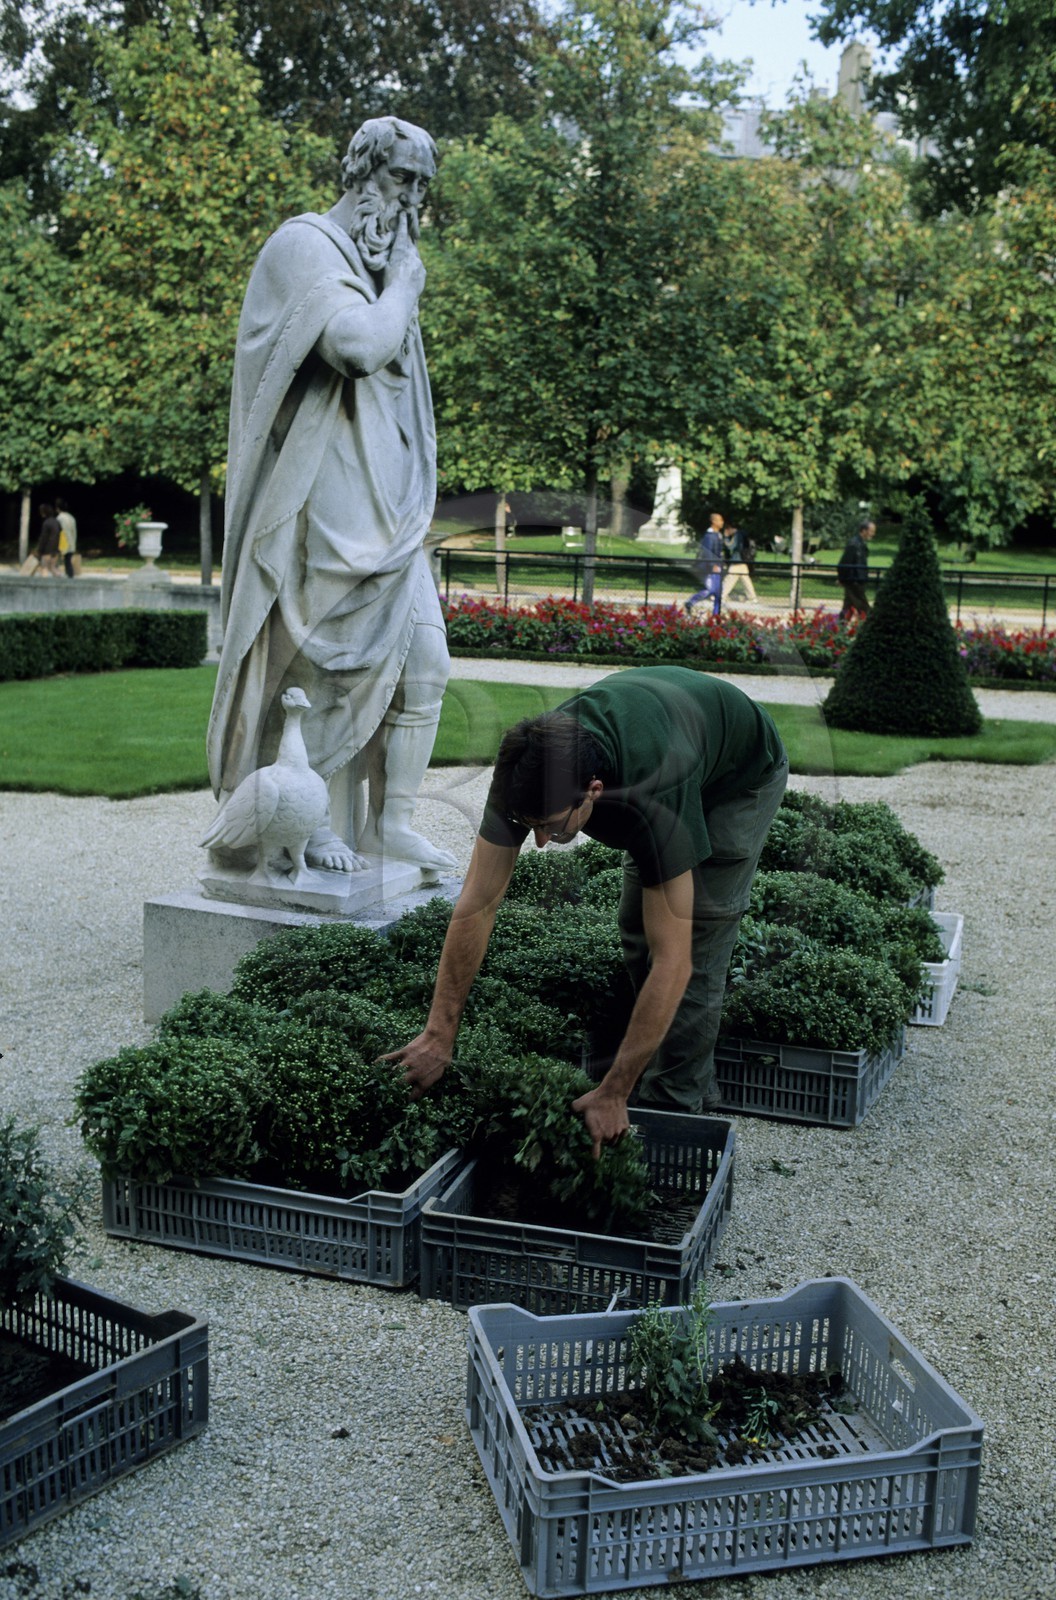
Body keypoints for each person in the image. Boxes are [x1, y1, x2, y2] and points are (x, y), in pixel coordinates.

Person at [386, 667, 788, 1154]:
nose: (539, 842)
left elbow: (675, 961)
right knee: (636, 927)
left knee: (697, 941)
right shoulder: (524, 775)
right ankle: (656, 1065)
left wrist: (614, 1090)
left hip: (737, 780)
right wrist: (438, 1033)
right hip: (667, 736)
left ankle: (676, 1103)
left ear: (593, 791)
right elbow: (477, 904)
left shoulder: (655, 791)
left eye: (551, 827)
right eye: (528, 825)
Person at [206, 115, 454, 875]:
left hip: (386, 499)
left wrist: (396, 285)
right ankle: (304, 816)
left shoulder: (380, 270)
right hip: (320, 494)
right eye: (400, 178)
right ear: (361, 171)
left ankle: (391, 822)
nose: (410, 201)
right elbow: (356, 347)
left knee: (427, 662)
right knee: (322, 665)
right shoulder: (304, 247)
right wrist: (405, 286)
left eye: (422, 187)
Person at [684, 511, 725, 615]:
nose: (722, 522)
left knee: (718, 592)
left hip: (718, 566)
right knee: (711, 590)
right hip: (712, 567)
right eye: (720, 520)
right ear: (714, 521)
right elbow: (708, 552)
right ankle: (691, 601)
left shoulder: (718, 535)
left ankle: (716, 614)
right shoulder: (709, 536)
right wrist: (713, 565)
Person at [837, 519, 876, 619]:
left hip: (856, 580)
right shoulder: (854, 544)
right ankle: (871, 625)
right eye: (871, 531)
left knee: (848, 606)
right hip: (854, 581)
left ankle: (838, 626)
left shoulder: (859, 544)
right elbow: (844, 563)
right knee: (864, 608)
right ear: (864, 530)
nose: (873, 534)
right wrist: (842, 579)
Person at [721, 520, 757, 605]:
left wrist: (726, 537)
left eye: (727, 529)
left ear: (730, 528)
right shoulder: (743, 534)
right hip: (743, 560)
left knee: (729, 579)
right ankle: (752, 598)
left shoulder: (737, 535)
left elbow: (731, 546)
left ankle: (721, 596)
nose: (727, 532)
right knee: (745, 580)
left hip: (737, 560)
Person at [35, 504, 61, 576]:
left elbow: (44, 538)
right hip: (56, 548)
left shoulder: (46, 523)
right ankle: (60, 580)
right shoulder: (56, 521)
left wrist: (39, 550)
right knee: (53, 567)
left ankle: (44, 582)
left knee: (44, 567)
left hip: (47, 549)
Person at [55, 498, 78, 578]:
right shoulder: (71, 517)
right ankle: (70, 576)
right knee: (68, 562)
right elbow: (74, 531)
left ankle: (59, 576)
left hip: (62, 543)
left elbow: (59, 532)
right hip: (71, 542)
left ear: (58, 508)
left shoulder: (59, 518)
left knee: (57, 562)